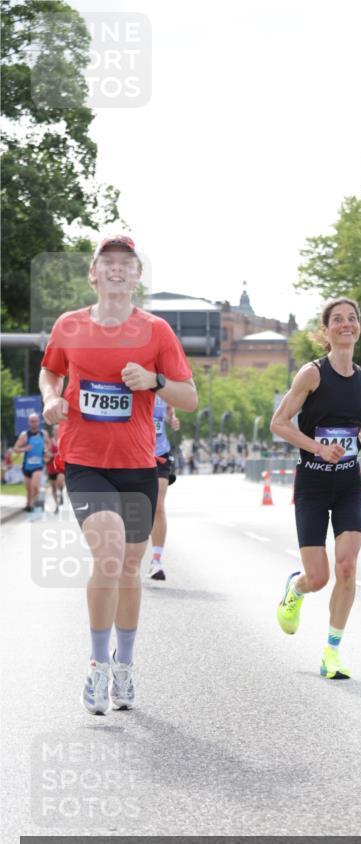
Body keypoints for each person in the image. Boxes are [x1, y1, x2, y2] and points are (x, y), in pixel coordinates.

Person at [39, 234, 197, 714]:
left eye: (125, 264)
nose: (115, 269)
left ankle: (124, 666)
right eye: (106, 262)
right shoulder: (69, 326)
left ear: (137, 276)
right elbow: (51, 372)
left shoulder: (156, 332)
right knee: (108, 554)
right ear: (92, 273)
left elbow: (189, 397)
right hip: (85, 462)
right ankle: (96, 666)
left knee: (128, 568)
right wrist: (50, 398)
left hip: (137, 466)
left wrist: (155, 381)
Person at [270, 297, 361, 680]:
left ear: (359, 327)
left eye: (352, 318)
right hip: (312, 484)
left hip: (348, 486)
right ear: (325, 331)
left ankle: (332, 652)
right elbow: (280, 423)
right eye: (337, 320)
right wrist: (319, 448)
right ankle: (296, 588)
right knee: (319, 578)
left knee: (347, 565)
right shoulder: (311, 374)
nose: (346, 324)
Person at [148, 395, 180, 581]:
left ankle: (156, 561)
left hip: (159, 453)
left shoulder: (164, 384)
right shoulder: (135, 380)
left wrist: (172, 419)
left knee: (158, 505)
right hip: (134, 452)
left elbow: (169, 411)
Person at [13, 412, 50, 512]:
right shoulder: (25, 435)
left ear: (38, 422)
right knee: (29, 489)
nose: (34, 423)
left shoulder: (44, 434)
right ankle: (28, 505)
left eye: (35, 421)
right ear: (29, 423)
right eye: (32, 421)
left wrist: (46, 452)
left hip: (38, 465)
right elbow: (15, 448)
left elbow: (48, 445)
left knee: (35, 486)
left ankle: (34, 504)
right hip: (26, 466)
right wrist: (25, 449)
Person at [46, 425, 66, 512]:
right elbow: (46, 452)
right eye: (55, 430)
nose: (57, 432)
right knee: (53, 488)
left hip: (60, 467)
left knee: (59, 482)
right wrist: (49, 454)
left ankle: (61, 493)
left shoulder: (63, 440)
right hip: (51, 467)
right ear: (53, 432)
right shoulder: (50, 442)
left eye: (58, 430)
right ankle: (57, 505)